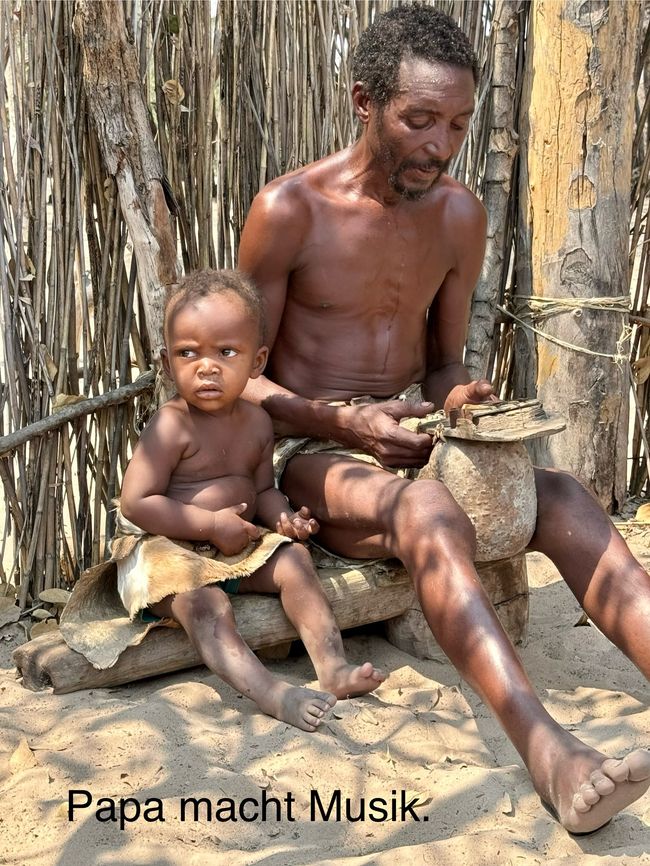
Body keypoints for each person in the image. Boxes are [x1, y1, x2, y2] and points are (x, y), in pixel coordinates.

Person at [238, 4, 650, 833]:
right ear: (364, 101)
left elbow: (441, 363)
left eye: (458, 123)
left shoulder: (459, 215)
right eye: (419, 119)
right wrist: (348, 425)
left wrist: (461, 398)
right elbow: (236, 385)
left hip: (421, 442)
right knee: (426, 510)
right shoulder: (289, 211)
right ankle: (548, 749)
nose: (440, 143)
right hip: (320, 453)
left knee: (562, 497)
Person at [119, 269, 385, 732]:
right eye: (188, 353)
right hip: (167, 551)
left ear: (257, 361)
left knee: (296, 561)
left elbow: (261, 489)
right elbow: (136, 503)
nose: (207, 366)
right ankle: (272, 693)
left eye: (226, 352)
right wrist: (208, 525)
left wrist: (282, 518)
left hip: (233, 547)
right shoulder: (170, 425)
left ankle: (333, 668)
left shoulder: (259, 423)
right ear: (166, 363)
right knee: (205, 607)